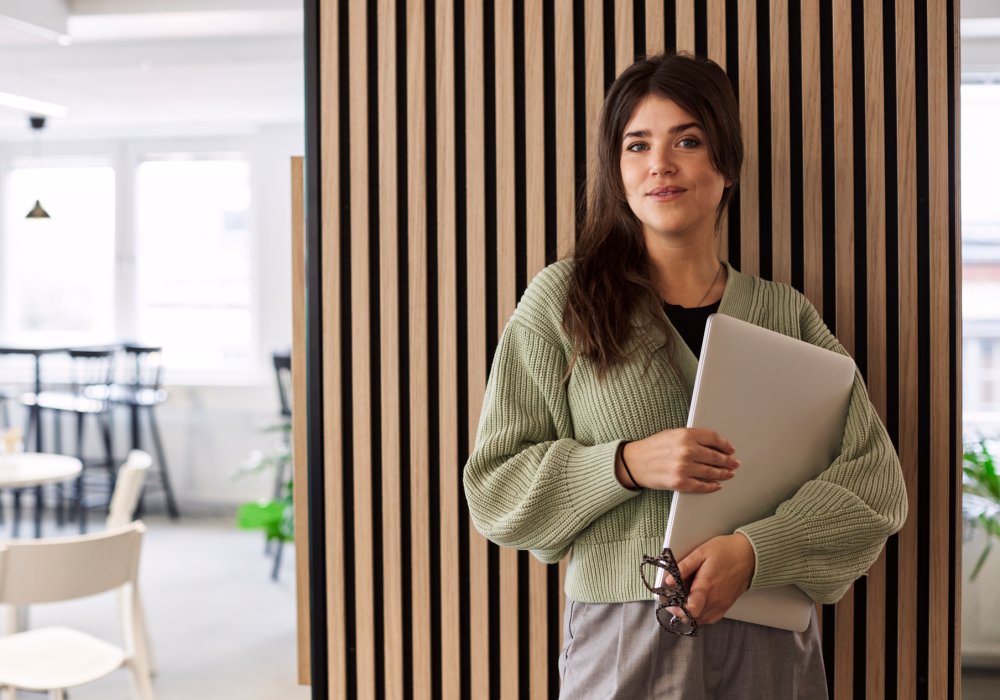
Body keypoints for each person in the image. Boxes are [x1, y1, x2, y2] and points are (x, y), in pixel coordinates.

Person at [463, 52, 908, 699]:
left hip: (768, 630)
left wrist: (757, 552)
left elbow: (876, 484)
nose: (660, 165)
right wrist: (622, 464)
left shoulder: (786, 314)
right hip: (623, 633)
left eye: (687, 140)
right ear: (617, 171)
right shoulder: (564, 304)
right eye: (637, 145)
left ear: (724, 164)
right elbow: (494, 486)